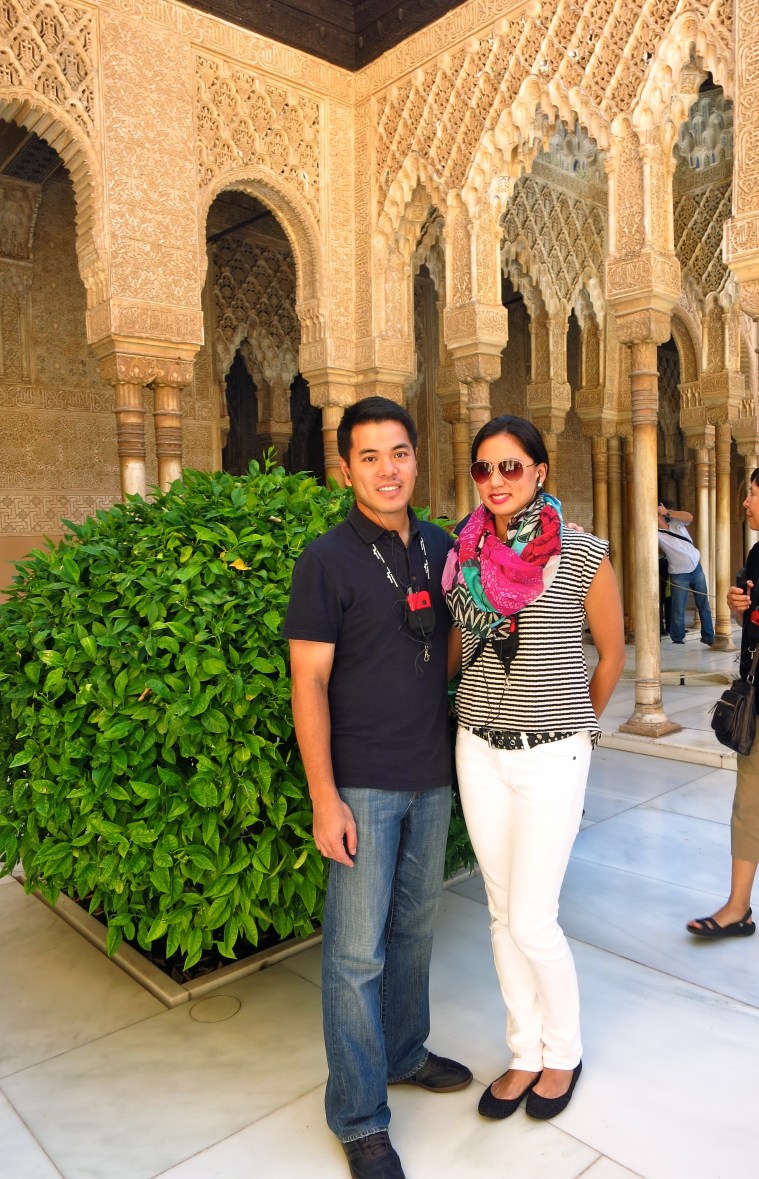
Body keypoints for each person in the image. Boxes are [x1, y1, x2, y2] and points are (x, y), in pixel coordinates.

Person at [284, 397, 471, 1179]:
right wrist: (323, 796)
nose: (387, 469)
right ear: (345, 470)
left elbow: (452, 644)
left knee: (415, 929)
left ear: (415, 459)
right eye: (369, 456)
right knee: (355, 954)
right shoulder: (325, 559)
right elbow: (307, 681)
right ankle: (359, 1116)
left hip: (430, 773)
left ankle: (402, 1050)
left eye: (399, 452)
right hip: (361, 782)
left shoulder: (441, 546)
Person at [443, 414, 625, 1122]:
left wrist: (571, 724)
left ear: (539, 471)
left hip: (551, 754)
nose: (496, 481)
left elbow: (610, 654)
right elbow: (457, 651)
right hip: (478, 749)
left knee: (532, 917)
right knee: (499, 912)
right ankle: (523, 1049)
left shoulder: (581, 552)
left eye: (511, 466)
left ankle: (563, 1050)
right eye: (483, 469)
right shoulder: (462, 553)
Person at [687, 469, 759, 940]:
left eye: (752, 493)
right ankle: (738, 908)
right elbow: (751, 622)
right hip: (757, 699)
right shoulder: (756, 555)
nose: (746, 503)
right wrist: (739, 607)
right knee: (748, 801)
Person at [657, 501, 715, 646]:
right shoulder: (655, 534)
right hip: (679, 574)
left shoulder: (675, 521)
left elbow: (689, 517)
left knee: (703, 604)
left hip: (696, 568)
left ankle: (708, 636)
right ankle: (677, 638)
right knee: (678, 608)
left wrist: (667, 512)